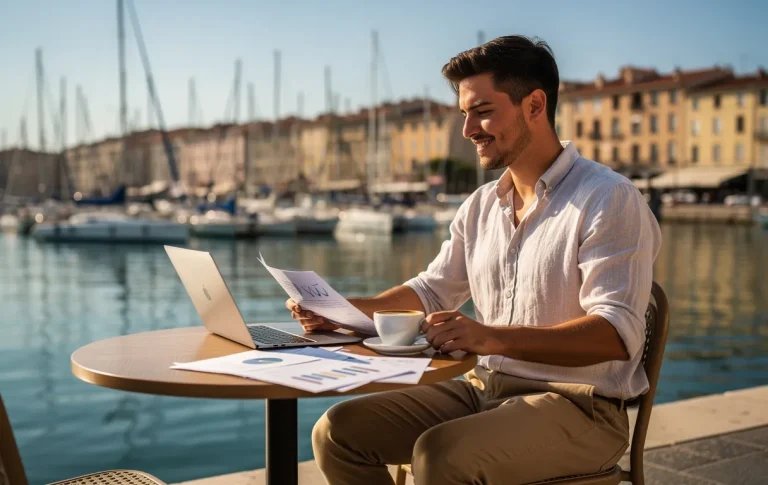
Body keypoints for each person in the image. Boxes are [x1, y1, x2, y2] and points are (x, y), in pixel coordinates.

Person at [287, 35, 662, 485]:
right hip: (481, 389)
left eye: (483, 111)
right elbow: (431, 290)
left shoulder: (608, 198)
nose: (468, 130)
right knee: (337, 432)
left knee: (440, 454)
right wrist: (342, 312)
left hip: (582, 407)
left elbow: (616, 335)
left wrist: (489, 337)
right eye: (465, 114)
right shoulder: (481, 205)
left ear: (535, 106)